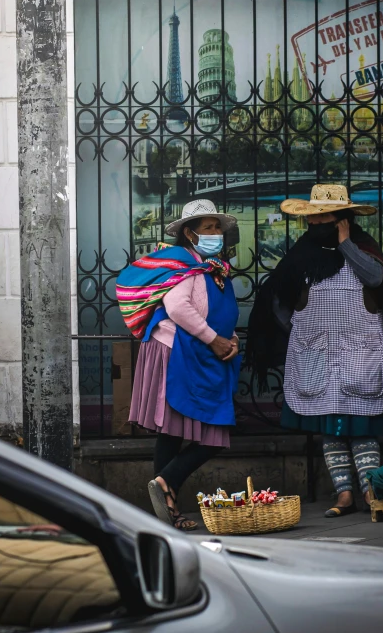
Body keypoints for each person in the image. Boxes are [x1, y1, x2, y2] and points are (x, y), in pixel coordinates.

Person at [247, 184, 383, 517]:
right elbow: (278, 302)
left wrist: (345, 244)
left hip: (360, 356)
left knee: (363, 428)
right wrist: (305, 335)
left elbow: (374, 279)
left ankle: (370, 491)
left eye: (326, 217)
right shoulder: (301, 256)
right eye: (313, 219)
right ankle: (344, 495)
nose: (317, 225)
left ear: (342, 219)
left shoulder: (363, 249)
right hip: (317, 356)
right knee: (328, 432)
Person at [116, 199, 241, 530]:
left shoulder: (210, 265)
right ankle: (166, 490)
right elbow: (178, 307)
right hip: (175, 352)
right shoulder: (184, 265)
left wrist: (231, 339)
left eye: (218, 227)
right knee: (199, 432)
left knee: (174, 432)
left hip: (197, 351)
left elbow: (214, 311)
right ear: (190, 233)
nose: (217, 233)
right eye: (209, 228)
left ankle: (166, 498)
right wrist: (214, 339)